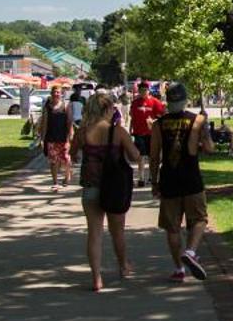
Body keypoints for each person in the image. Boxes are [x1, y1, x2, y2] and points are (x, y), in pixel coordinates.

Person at [78, 91, 141, 292]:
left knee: (94, 234)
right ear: (106, 109)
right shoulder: (118, 132)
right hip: (113, 187)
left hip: (91, 187)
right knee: (117, 231)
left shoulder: (83, 131)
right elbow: (135, 156)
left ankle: (96, 278)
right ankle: (123, 266)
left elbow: (72, 153)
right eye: (112, 108)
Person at [150, 83, 212, 282]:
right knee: (199, 219)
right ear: (185, 100)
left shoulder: (159, 124)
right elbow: (209, 148)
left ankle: (179, 268)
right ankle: (191, 252)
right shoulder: (197, 121)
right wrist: (206, 130)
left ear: (168, 102)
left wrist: (154, 181)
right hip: (192, 178)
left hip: (169, 179)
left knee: (172, 227)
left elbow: (153, 156)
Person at [36, 87, 76, 188]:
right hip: (51, 137)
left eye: (58, 92)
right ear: (51, 94)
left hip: (64, 137)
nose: (56, 94)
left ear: (61, 94)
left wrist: (70, 135)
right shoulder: (47, 107)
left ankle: (67, 176)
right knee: (53, 161)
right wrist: (42, 138)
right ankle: (55, 182)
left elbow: (70, 122)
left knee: (66, 159)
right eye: (54, 92)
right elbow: (45, 123)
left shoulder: (66, 105)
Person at [128, 81, 165, 185]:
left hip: (151, 133)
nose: (143, 92)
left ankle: (151, 176)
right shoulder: (135, 103)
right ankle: (141, 178)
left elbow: (162, 116)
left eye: (145, 90)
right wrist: (130, 130)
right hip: (139, 133)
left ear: (149, 91)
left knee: (152, 157)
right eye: (141, 90)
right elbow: (132, 117)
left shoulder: (155, 102)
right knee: (140, 156)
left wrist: (153, 121)